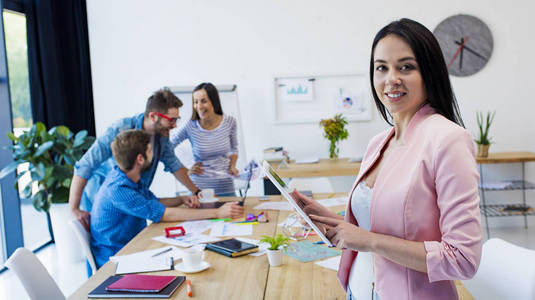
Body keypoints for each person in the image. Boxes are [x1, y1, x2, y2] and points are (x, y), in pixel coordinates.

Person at [291, 18, 482, 300]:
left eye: (406, 66)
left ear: (429, 72)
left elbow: (463, 259)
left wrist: (368, 241)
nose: (391, 78)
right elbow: (375, 228)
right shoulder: (378, 143)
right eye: (382, 67)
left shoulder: (448, 139)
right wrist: (331, 221)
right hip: (359, 289)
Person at [90, 130, 244, 268]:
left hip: (132, 244)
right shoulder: (118, 190)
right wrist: (217, 213)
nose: (154, 154)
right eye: (150, 150)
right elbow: (164, 214)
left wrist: (182, 199)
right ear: (140, 159)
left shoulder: (127, 176)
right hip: (117, 257)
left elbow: (153, 203)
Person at [69, 88, 202, 231]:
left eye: (177, 120)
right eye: (172, 120)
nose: (175, 125)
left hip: (134, 205)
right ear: (153, 116)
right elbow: (85, 165)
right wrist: (74, 208)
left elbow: (174, 165)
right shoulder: (121, 129)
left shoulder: (162, 135)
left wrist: (196, 192)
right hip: (109, 205)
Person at [170, 82, 239, 197]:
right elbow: (167, 147)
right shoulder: (190, 126)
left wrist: (232, 166)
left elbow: (234, 149)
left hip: (226, 188)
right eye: (195, 102)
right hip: (200, 191)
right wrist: (186, 170)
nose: (199, 106)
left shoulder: (230, 122)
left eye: (204, 101)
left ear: (214, 101)